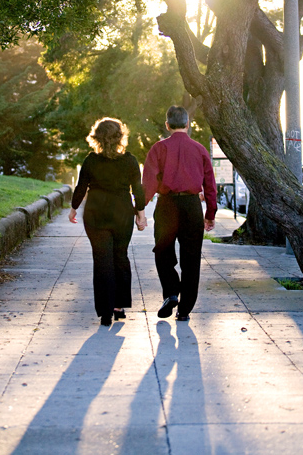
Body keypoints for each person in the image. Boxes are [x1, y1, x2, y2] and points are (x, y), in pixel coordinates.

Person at [69, 118, 147, 326]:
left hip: (96, 213)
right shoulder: (130, 161)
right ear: (120, 137)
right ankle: (119, 305)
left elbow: (81, 187)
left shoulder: (91, 161)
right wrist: (141, 213)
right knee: (120, 256)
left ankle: (105, 311)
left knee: (102, 259)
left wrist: (74, 208)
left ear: (97, 138)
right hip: (122, 213)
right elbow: (138, 189)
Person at [143, 106, 217, 322]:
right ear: (187, 124)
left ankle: (172, 291)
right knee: (191, 258)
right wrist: (210, 212)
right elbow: (210, 184)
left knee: (162, 251)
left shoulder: (158, 149)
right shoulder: (200, 149)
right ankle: (184, 310)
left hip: (166, 205)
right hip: (192, 206)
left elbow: (148, 182)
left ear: (167, 125)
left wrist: (140, 208)